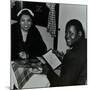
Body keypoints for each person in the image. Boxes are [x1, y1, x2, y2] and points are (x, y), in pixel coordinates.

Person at [47, 19, 87, 86]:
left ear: (80, 34)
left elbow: (63, 85)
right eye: (66, 32)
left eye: (71, 33)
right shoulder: (85, 44)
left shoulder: (73, 54)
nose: (67, 36)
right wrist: (64, 59)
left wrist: (48, 72)